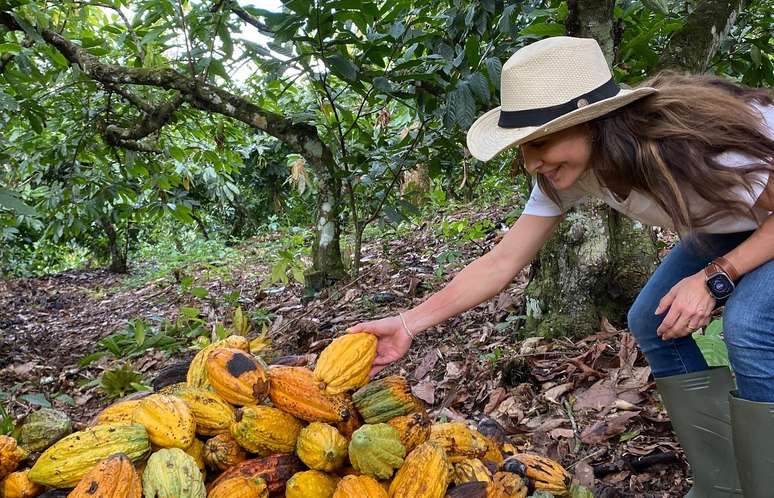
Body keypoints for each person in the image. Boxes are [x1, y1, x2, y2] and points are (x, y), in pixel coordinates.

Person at [346, 36, 774, 497]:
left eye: (542, 142)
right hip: (735, 221)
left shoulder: (688, 141)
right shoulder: (571, 171)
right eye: (524, 147)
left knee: (747, 324)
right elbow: (502, 260)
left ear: (593, 123)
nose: (532, 162)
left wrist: (715, 277)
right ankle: (724, 482)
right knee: (649, 318)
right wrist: (409, 324)